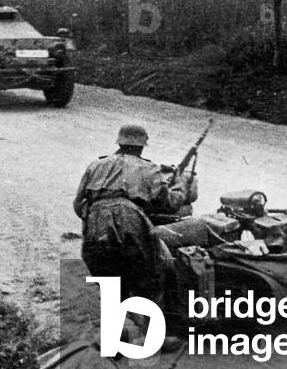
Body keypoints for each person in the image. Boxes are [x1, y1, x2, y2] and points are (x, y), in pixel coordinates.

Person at [73, 125, 196, 345]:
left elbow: (78, 203)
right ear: (141, 147)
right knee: (154, 273)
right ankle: (155, 336)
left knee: (109, 280)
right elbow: (170, 204)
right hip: (130, 220)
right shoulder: (149, 169)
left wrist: (97, 218)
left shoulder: (97, 164)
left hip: (95, 223)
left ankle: (111, 337)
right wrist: (181, 185)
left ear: (119, 143)